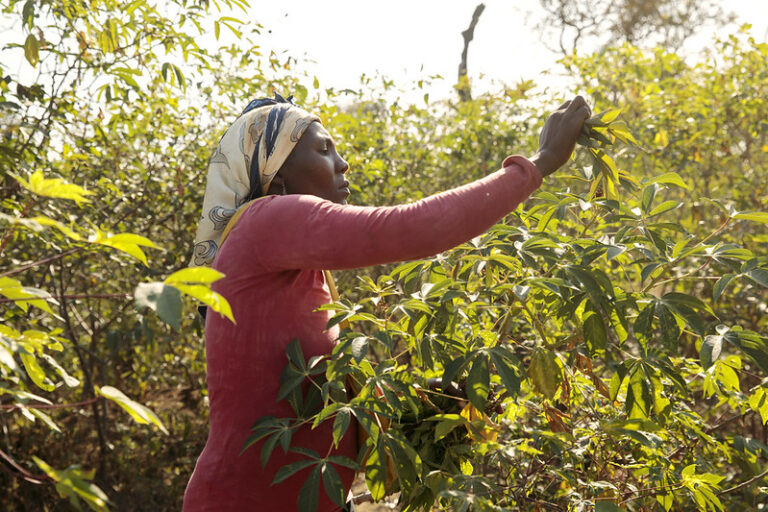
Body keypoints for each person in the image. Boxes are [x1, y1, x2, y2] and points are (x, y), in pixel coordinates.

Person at [183, 93, 591, 511]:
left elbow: (309, 402)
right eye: (324, 150)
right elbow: (411, 227)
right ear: (277, 176)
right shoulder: (265, 220)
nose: (342, 164)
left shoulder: (292, 266)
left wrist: (422, 404)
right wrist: (540, 163)